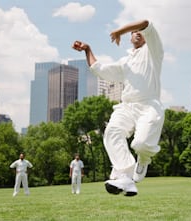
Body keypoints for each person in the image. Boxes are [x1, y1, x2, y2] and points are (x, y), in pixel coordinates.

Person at [72, 20, 164, 197]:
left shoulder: (153, 51)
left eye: (139, 31)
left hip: (148, 105)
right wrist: (87, 49)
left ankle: (143, 160)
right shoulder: (126, 61)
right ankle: (125, 177)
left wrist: (118, 31)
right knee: (112, 132)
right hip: (127, 106)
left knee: (140, 144)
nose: (137, 33)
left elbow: (145, 23)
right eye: (133, 32)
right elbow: (100, 70)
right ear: (130, 38)